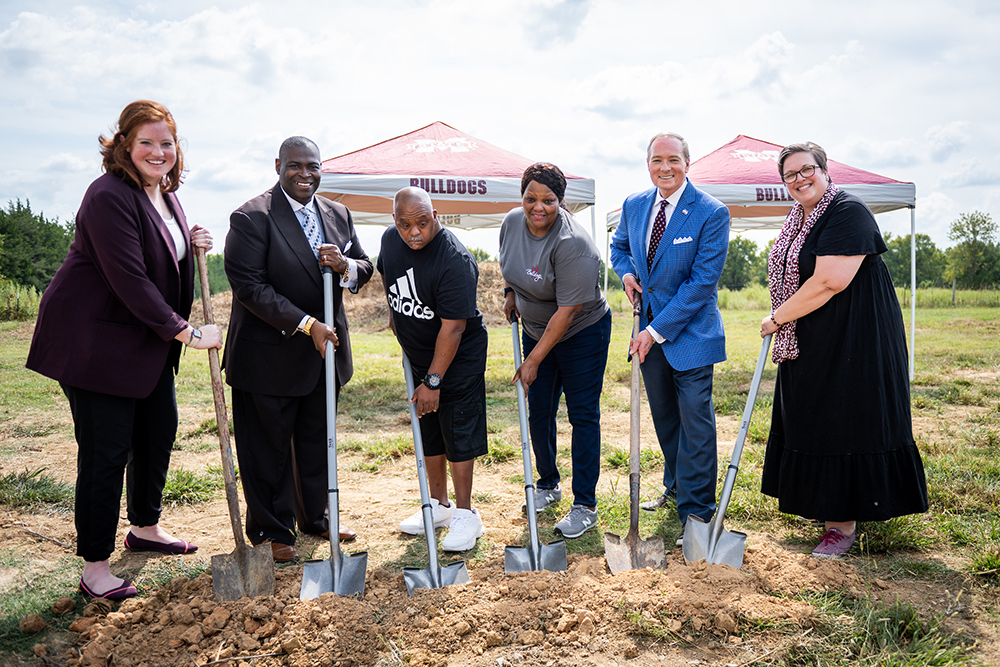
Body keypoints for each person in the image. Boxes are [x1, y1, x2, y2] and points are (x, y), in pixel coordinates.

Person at [26, 100, 222, 600]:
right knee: (106, 451)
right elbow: (130, 280)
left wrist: (191, 239)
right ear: (124, 147)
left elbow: (161, 253)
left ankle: (145, 527)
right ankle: (95, 566)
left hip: (141, 343)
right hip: (95, 343)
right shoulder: (107, 195)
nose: (159, 152)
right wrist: (187, 332)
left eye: (167, 143)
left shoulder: (163, 193)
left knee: (159, 430)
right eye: (147, 144)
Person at [759, 142, 928, 558]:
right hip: (815, 332)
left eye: (806, 170)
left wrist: (778, 318)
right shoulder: (797, 217)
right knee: (814, 414)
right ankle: (827, 506)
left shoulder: (847, 211)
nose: (800, 179)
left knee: (843, 416)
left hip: (854, 335)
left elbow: (829, 281)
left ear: (825, 170)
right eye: (790, 175)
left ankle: (843, 525)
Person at [223, 136, 373, 563]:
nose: (305, 174)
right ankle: (273, 528)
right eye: (296, 165)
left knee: (316, 438)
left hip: (324, 355)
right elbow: (251, 287)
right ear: (278, 166)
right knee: (267, 447)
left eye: (313, 166)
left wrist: (345, 267)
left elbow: (365, 265)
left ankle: (317, 516)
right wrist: (308, 325)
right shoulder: (252, 217)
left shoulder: (338, 213)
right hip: (269, 355)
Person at [609, 132, 730, 547]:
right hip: (647, 334)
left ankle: (697, 514)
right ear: (648, 164)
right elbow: (620, 246)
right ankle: (677, 486)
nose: (665, 167)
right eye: (657, 159)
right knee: (665, 419)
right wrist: (625, 273)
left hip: (690, 334)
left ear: (687, 163)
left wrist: (655, 331)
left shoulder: (711, 212)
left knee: (696, 422)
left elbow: (701, 284)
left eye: (673, 159)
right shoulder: (634, 205)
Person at [499, 163, 611, 538]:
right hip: (534, 327)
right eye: (530, 198)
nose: (538, 207)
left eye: (548, 200)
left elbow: (567, 313)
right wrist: (510, 293)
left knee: (582, 415)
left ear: (561, 202)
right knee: (539, 411)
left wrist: (532, 361)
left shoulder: (574, 245)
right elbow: (510, 268)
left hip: (581, 332)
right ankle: (547, 484)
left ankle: (584, 505)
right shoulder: (511, 223)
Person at [378, 186, 489, 552]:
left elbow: (454, 327)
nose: (414, 233)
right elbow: (389, 280)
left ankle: (465, 515)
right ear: (394, 220)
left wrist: (434, 380)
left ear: (436, 215)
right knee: (429, 430)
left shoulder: (454, 260)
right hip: (421, 357)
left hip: (457, 358)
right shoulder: (390, 242)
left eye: (422, 223)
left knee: (457, 432)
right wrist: (398, 323)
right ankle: (439, 506)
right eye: (405, 224)